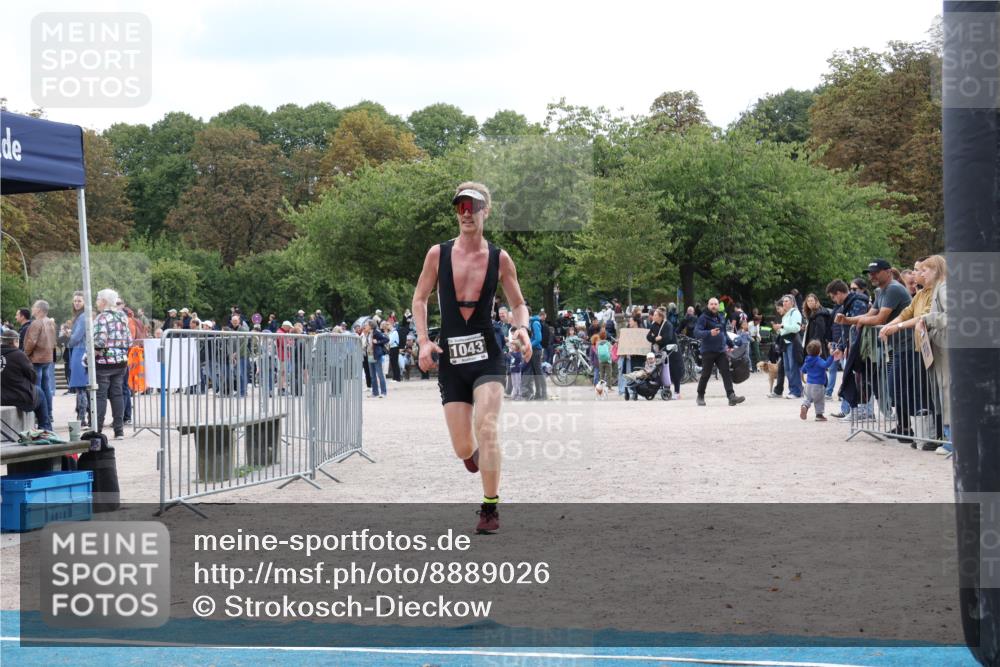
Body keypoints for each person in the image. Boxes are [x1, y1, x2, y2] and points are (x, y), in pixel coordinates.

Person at [411, 181, 533, 534]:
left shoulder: (499, 258)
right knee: (464, 445)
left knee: (488, 427)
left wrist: (522, 328)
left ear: (486, 211)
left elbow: (518, 303)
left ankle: (490, 508)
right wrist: (422, 341)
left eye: (473, 206)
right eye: (460, 206)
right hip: (451, 358)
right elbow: (419, 298)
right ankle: (473, 455)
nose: (466, 213)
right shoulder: (438, 254)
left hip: (487, 356)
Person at [836, 259, 913, 439]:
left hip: (908, 344)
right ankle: (904, 427)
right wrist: (849, 320)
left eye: (875, 272)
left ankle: (910, 428)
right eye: (870, 273)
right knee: (895, 387)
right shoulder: (881, 291)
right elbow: (870, 314)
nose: (872, 276)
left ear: (888, 272)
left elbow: (880, 319)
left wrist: (856, 321)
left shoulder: (893, 288)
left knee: (897, 387)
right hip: (896, 345)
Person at [880, 257, 939, 450]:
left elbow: (924, 317)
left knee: (931, 392)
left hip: (933, 348)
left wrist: (897, 326)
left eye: (921, 270)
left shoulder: (937, 292)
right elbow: (907, 312)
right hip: (920, 349)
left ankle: (936, 434)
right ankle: (923, 433)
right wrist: (889, 325)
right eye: (915, 270)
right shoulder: (920, 295)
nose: (916, 274)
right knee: (918, 392)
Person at [92, 288, 133, 438]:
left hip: (104, 362)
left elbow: (100, 341)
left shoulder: (102, 318)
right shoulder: (123, 316)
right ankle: (119, 430)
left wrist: (90, 356)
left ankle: (98, 431)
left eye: (97, 299)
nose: (96, 303)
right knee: (117, 394)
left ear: (103, 301)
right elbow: (129, 340)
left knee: (101, 395)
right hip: (121, 361)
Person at [692, 298, 745, 406]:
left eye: (715, 304)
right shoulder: (703, 317)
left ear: (718, 306)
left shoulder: (720, 316)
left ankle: (731, 397)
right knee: (706, 374)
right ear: (708, 305)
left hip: (721, 351)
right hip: (708, 351)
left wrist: (731, 344)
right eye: (711, 304)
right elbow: (696, 332)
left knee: (726, 373)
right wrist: (709, 333)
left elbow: (724, 333)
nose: (713, 306)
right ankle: (700, 396)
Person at [23, 300, 56, 431]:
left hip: (36, 358)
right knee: (46, 387)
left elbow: (31, 341)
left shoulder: (37, 323)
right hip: (47, 358)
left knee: (36, 387)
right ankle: (49, 413)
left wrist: (25, 354)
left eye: (34, 307)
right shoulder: (51, 322)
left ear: (39, 310)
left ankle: (40, 414)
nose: (32, 309)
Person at [1, 327, 44, 425]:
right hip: (17, 397)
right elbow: (32, 376)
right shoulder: (19, 355)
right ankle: (45, 428)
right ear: (15, 341)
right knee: (40, 392)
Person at [772, 294, 804, 399]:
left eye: (786, 301)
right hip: (785, 342)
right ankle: (793, 390)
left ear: (792, 302)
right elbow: (785, 329)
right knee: (787, 368)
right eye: (783, 301)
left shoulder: (795, 313)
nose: (784, 303)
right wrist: (779, 329)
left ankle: (797, 391)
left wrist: (782, 326)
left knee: (793, 367)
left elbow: (796, 328)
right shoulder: (786, 315)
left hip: (792, 342)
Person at [800, 340, 840, 422]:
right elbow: (826, 365)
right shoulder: (818, 360)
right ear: (819, 351)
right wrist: (831, 356)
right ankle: (819, 415)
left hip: (808, 384)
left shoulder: (807, 360)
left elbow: (803, 370)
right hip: (818, 385)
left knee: (808, 398)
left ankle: (804, 406)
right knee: (819, 401)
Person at [647, 306, 683, 399]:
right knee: (663, 371)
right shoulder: (654, 325)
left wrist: (658, 339)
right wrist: (656, 338)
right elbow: (648, 337)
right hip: (661, 352)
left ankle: (677, 392)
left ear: (660, 316)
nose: (653, 316)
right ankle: (666, 390)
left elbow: (668, 338)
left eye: (655, 315)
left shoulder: (668, 325)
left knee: (675, 371)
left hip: (672, 351)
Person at [67, 291, 91, 426]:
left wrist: (68, 338)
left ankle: (81, 419)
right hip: (81, 351)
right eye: (75, 301)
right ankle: (83, 417)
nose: (76, 303)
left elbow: (76, 337)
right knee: (82, 387)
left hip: (79, 351)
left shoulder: (82, 317)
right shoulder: (82, 316)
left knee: (81, 387)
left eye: (79, 301)